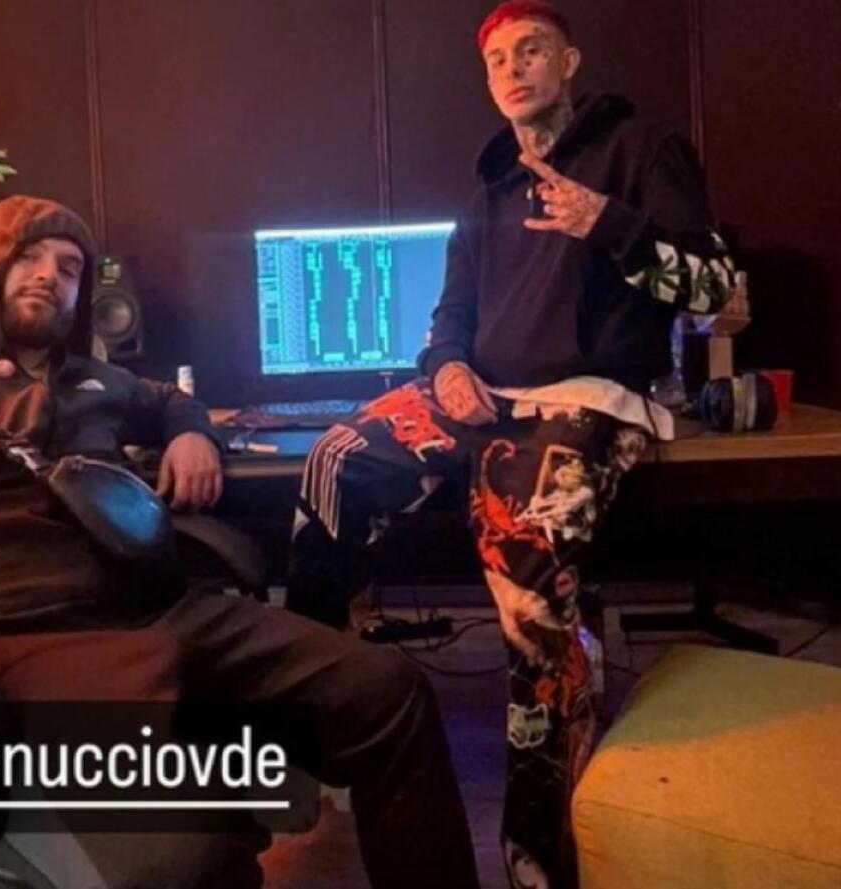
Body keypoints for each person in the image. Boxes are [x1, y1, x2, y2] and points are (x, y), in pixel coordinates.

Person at [0, 195, 481, 889]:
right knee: (182, 857)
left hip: (153, 606)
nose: (49, 274)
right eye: (27, 256)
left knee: (389, 691)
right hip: (16, 639)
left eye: (69, 267)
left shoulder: (92, 380)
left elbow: (172, 399)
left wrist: (191, 433)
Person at [286, 2, 736, 887]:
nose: (514, 68)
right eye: (497, 59)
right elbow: (447, 318)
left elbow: (714, 288)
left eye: (531, 50)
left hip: (587, 395)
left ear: (569, 61)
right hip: (482, 394)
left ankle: (539, 858)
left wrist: (607, 221)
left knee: (527, 587)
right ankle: (321, 711)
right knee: (333, 460)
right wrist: (446, 365)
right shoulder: (487, 187)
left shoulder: (643, 149)